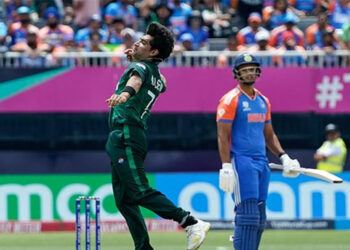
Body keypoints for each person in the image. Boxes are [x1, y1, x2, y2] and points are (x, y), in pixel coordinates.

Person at [105, 22, 210, 250]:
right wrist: (135, 60)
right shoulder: (155, 74)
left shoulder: (141, 70)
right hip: (129, 135)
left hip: (126, 133)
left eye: (143, 42)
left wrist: (125, 93)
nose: (136, 43)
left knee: (138, 191)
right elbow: (161, 83)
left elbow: (136, 80)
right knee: (124, 200)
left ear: (153, 52)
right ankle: (143, 248)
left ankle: (190, 222)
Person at [216, 53, 301, 250]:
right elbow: (222, 135)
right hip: (242, 161)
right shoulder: (230, 100)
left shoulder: (263, 100)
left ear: (258, 71)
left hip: (261, 162)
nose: (249, 73)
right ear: (237, 74)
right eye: (244, 70)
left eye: (252, 69)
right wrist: (226, 165)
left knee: (260, 215)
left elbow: (269, 135)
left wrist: (284, 156)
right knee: (247, 213)